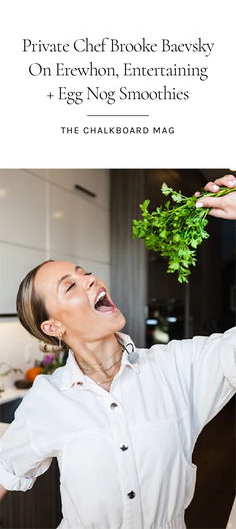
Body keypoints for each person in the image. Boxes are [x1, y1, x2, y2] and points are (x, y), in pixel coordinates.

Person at [0, 174, 235, 529]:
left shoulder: (177, 368)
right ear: (53, 327)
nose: (92, 280)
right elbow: (4, 471)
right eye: (71, 285)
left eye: (87, 273)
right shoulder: (47, 400)